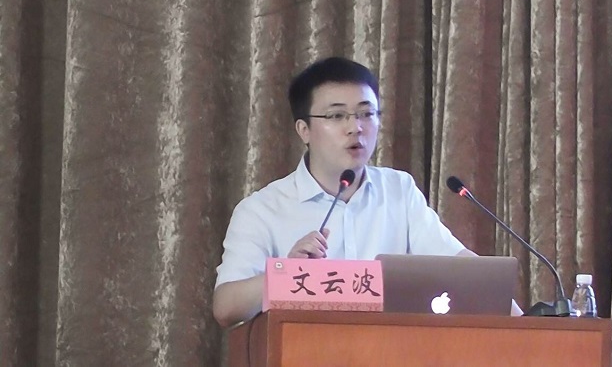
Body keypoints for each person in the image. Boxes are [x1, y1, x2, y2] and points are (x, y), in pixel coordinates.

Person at [213, 57, 520, 327]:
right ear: (304, 130)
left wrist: (528, 326)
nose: (355, 128)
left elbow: (461, 267)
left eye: (366, 113)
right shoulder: (262, 209)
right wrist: (285, 275)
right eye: (337, 116)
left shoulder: (398, 191)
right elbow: (226, 307)